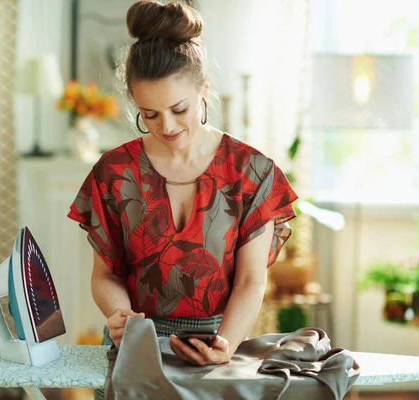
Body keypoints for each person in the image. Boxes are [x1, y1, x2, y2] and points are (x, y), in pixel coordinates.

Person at [67, 1, 298, 397]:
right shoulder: (114, 172)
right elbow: (105, 275)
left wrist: (224, 347)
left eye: (179, 109)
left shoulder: (251, 172)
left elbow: (249, 280)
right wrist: (120, 316)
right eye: (149, 115)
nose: (167, 127)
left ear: (204, 88)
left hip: (219, 350)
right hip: (136, 354)